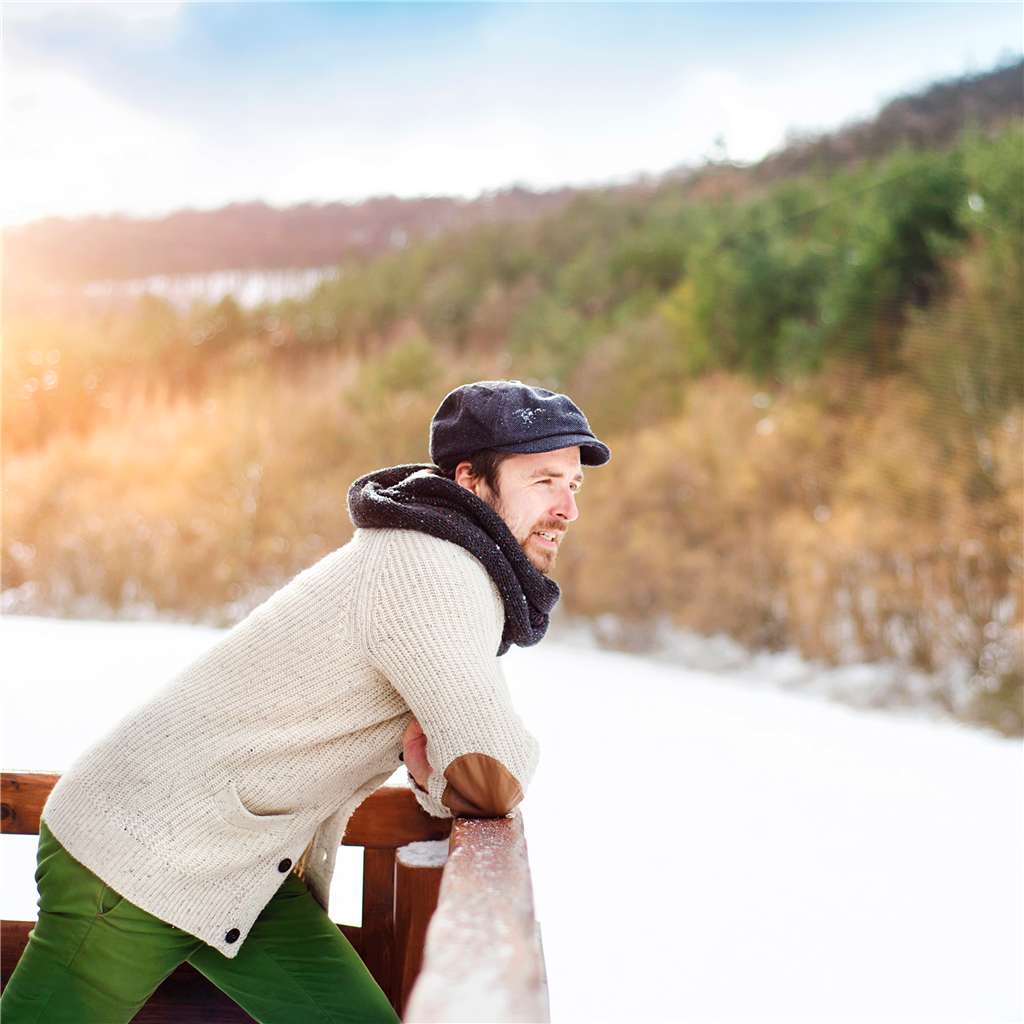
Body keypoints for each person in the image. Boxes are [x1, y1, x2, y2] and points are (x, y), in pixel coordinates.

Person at [0, 380, 610, 1024]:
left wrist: (439, 778)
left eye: (574, 485)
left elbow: (470, 765)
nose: (567, 508)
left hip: (243, 867)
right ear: (470, 480)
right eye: (544, 481)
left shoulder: (442, 558)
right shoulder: (434, 568)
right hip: (138, 847)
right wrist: (444, 775)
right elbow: (494, 767)